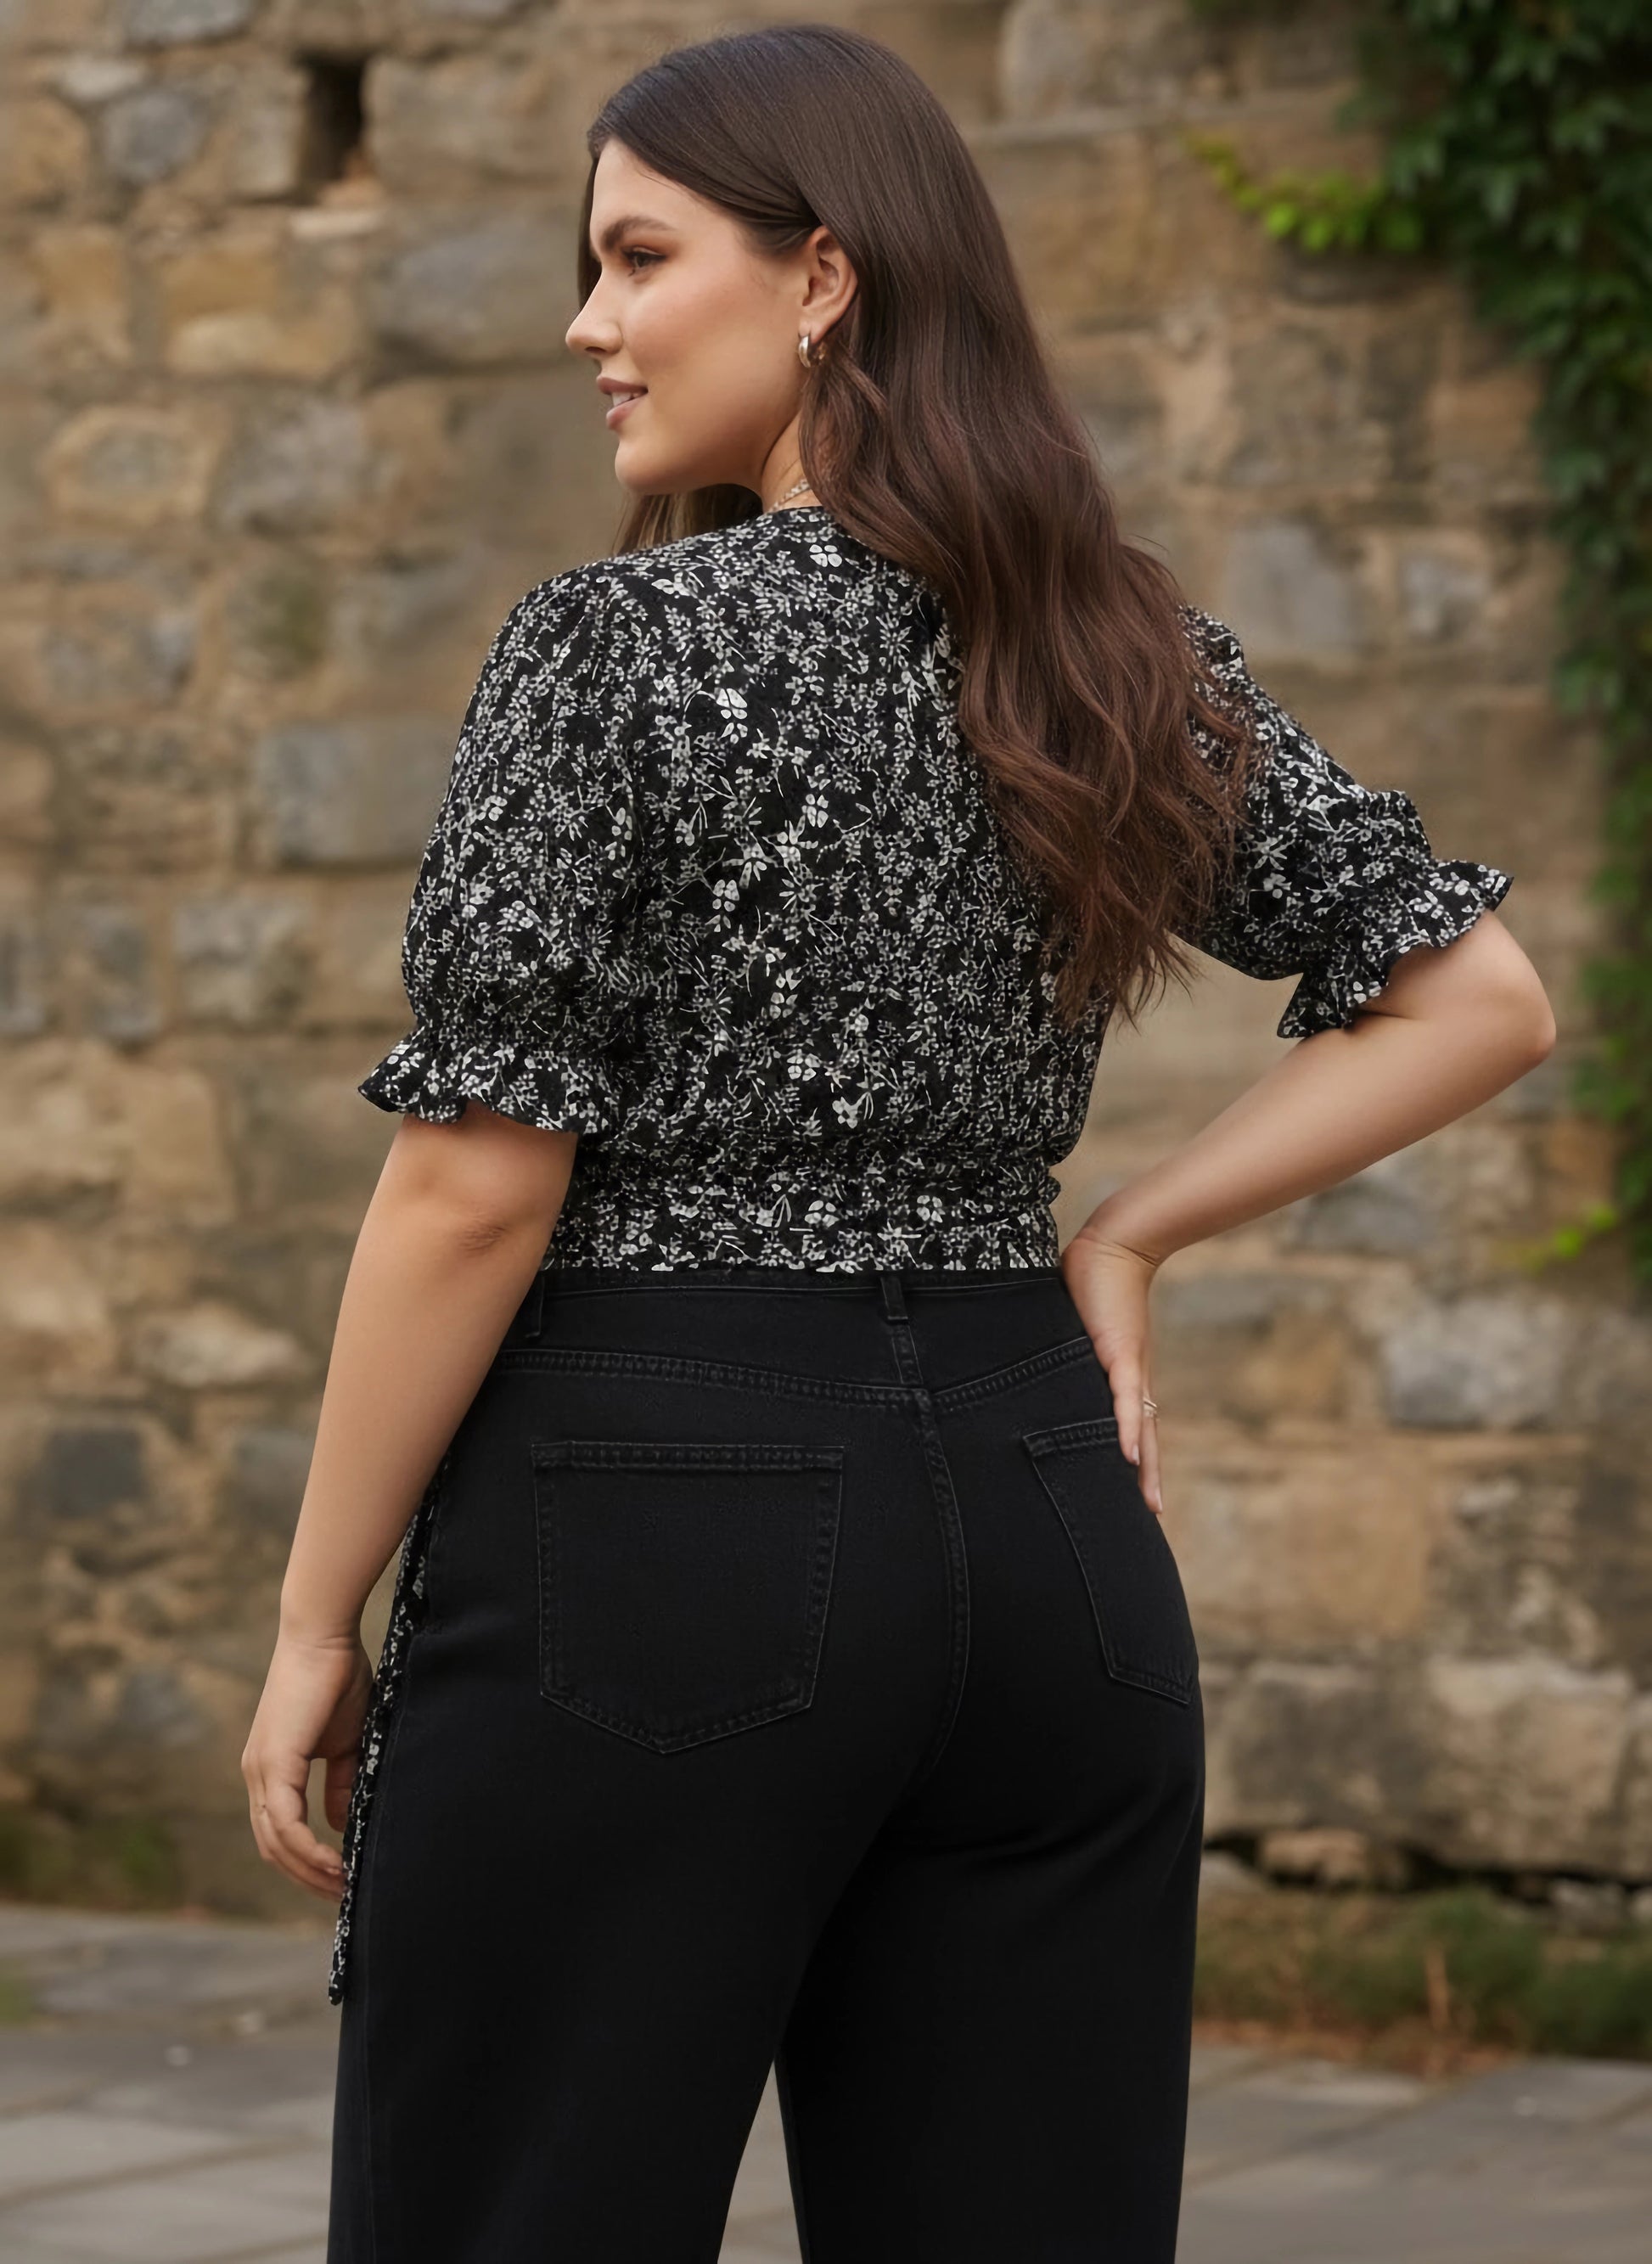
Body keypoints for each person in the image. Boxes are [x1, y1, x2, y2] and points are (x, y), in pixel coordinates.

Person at [239, 23, 1554, 2263]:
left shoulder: (609, 651)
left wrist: (307, 1617)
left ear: (825, 272)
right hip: (1049, 1545)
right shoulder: (1116, 647)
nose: (585, 323)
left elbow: (474, 1180)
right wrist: (1122, 1233)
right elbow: (1480, 994)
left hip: (652, 1541)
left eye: (639, 256)